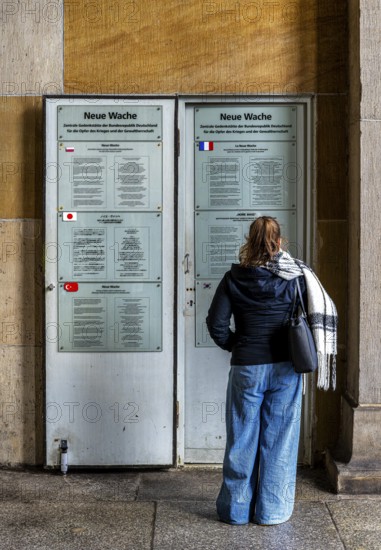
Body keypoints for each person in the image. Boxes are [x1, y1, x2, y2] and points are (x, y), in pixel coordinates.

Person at [206, 216, 337, 526]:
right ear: (280, 243)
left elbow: (216, 324)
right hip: (285, 368)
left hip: (247, 367)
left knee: (241, 438)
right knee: (280, 441)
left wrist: (238, 345)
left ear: (249, 242)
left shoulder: (233, 278)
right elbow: (312, 317)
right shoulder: (296, 276)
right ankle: (272, 511)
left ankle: (236, 511)